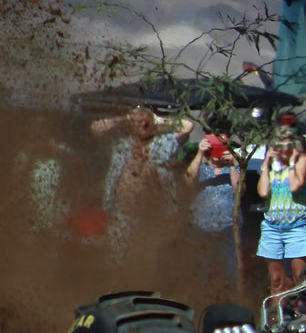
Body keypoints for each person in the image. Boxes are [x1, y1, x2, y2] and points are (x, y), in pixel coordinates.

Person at [93, 106, 194, 260]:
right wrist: (126, 118)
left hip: (153, 216)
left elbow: (187, 126)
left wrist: (156, 119)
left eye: (147, 123)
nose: (143, 125)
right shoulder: (122, 143)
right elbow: (96, 128)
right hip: (121, 215)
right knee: (116, 259)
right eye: (139, 122)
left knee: (147, 260)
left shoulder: (164, 142)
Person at [256, 126, 306, 294]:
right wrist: (265, 165)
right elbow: (263, 192)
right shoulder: (271, 167)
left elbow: (295, 187)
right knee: (276, 280)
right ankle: (277, 316)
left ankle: (302, 313)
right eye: (279, 145)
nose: (283, 149)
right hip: (272, 227)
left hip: (295, 226)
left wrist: (293, 162)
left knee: (299, 277)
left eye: (287, 144)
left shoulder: (300, 161)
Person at [186, 133, 241, 282]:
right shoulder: (200, 168)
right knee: (201, 274)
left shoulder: (234, 168)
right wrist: (199, 154)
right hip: (200, 230)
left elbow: (239, 190)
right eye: (215, 147)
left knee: (229, 273)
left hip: (228, 229)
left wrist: (232, 164)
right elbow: (188, 183)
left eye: (221, 147)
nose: (218, 152)